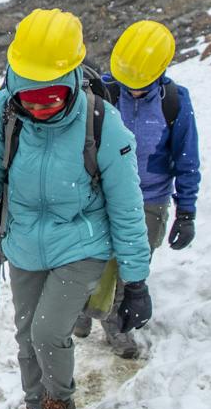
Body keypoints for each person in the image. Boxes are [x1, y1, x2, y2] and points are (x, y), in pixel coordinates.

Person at [0, 8, 153, 409]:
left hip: (81, 242)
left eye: (52, 96)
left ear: (71, 78)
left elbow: (126, 207)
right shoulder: (2, 113)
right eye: (31, 96)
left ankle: (60, 405)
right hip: (23, 241)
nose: (40, 106)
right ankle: (36, 406)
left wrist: (136, 282)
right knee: (25, 336)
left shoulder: (103, 124)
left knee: (47, 330)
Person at [81, 20, 201, 358]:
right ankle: (82, 309)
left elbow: (186, 157)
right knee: (90, 259)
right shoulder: (103, 91)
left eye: (140, 85)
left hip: (150, 199)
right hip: (101, 194)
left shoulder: (174, 102)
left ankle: (116, 327)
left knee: (129, 269)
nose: (133, 90)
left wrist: (186, 211)